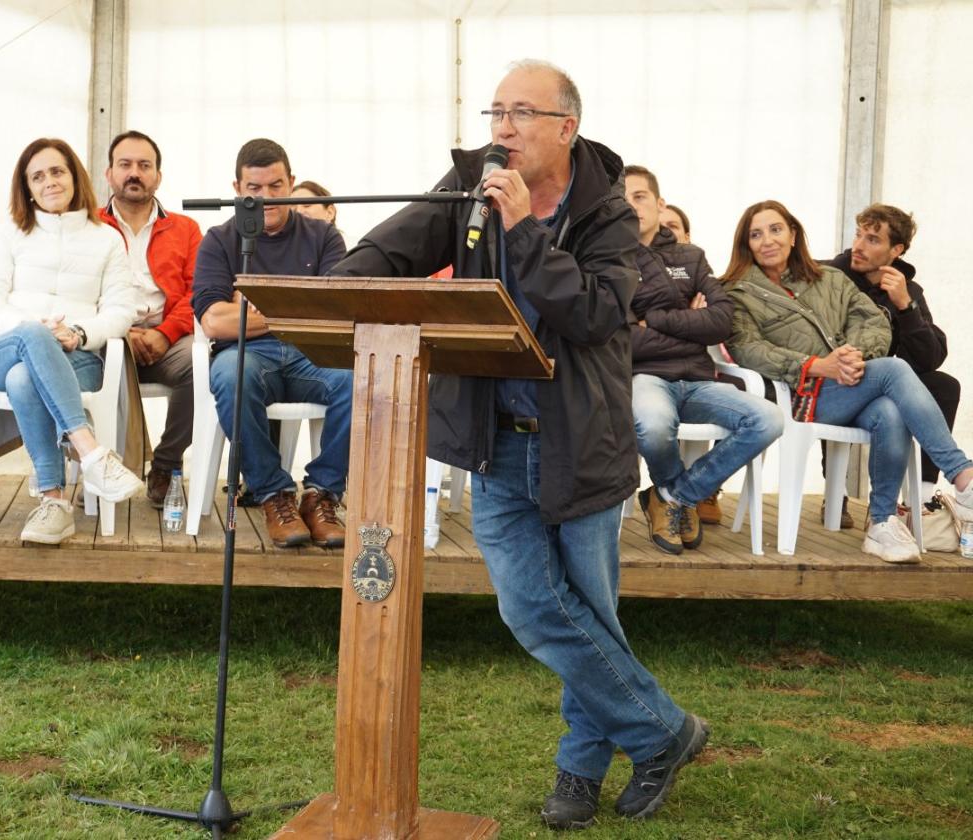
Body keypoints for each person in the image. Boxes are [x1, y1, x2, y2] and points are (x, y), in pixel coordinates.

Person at [332, 60, 708, 829]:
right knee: (535, 609)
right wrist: (342, 286)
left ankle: (579, 769)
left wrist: (524, 233)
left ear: (565, 127)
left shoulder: (607, 213)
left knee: (589, 616)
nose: (502, 129)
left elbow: (596, 313)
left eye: (521, 114)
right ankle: (663, 731)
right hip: (496, 440)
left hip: (581, 443)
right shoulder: (472, 183)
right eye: (495, 113)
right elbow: (393, 245)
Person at [721, 200, 973, 563]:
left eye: (776, 230)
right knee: (893, 370)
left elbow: (872, 320)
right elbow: (748, 349)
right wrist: (817, 365)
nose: (767, 241)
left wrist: (853, 356)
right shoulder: (737, 291)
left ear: (793, 235)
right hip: (799, 396)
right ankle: (962, 475)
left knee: (890, 409)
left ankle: (882, 523)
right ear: (746, 243)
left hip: (845, 387)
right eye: (756, 234)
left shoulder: (828, 279)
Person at [0, 137, 144, 545]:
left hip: (74, 357)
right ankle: (92, 454)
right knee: (31, 335)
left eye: (57, 171)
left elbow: (120, 311)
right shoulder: (10, 233)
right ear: (26, 187)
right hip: (0, 350)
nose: (49, 181)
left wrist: (80, 333)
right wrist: (32, 328)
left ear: (74, 176)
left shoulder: (106, 239)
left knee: (24, 379)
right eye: (37, 176)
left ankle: (54, 502)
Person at [191, 139, 351, 548]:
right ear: (237, 189)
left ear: (292, 182)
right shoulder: (219, 240)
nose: (266, 197)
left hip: (310, 353)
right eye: (254, 189)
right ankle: (272, 494)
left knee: (359, 376)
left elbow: (333, 310)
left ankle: (322, 495)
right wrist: (295, 304)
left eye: (276, 186)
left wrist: (248, 307)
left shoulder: (324, 237)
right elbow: (213, 322)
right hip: (247, 356)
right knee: (229, 376)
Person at [623, 165, 782, 554]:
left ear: (660, 204)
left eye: (640, 197)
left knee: (768, 419)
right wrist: (690, 322)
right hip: (646, 378)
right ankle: (678, 497)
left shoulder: (690, 257)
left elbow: (721, 321)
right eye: (622, 199)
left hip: (698, 379)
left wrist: (655, 320)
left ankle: (673, 496)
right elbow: (624, 341)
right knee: (655, 426)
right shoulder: (608, 262)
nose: (632, 206)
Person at [827, 204, 959, 501]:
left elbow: (929, 360)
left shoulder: (908, 290)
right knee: (850, 370)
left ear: (895, 250)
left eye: (872, 240)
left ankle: (921, 500)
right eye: (858, 235)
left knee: (945, 385)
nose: (858, 246)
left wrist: (905, 307)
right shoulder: (829, 276)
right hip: (837, 382)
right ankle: (835, 493)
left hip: (884, 384)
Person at [100, 130, 203, 507]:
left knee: (204, 363)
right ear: (108, 173)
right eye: (125, 164)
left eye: (145, 165)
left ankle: (166, 463)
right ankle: (98, 467)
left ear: (158, 176)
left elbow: (200, 293)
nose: (134, 173)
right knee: (73, 364)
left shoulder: (186, 229)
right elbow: (79, 293)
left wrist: (165, 332)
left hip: (169, 341)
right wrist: (119, 331)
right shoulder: (90, 226)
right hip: (107, 340)